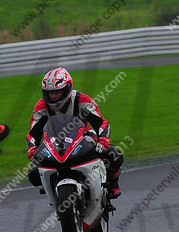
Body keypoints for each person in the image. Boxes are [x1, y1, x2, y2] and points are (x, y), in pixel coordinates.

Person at [26, 67, 123, 200]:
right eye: (50, 93)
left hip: (84, 136)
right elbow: (33, 132)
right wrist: (32, 148)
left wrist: (103, 140)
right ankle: (52, 188)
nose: (53, 96)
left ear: (67, 88)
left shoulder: (81, 99)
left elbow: (101, 122)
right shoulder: (41, 106)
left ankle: (113, 184)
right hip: (53, 141)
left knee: (114, 154)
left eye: (57, 92)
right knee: (32, 172)